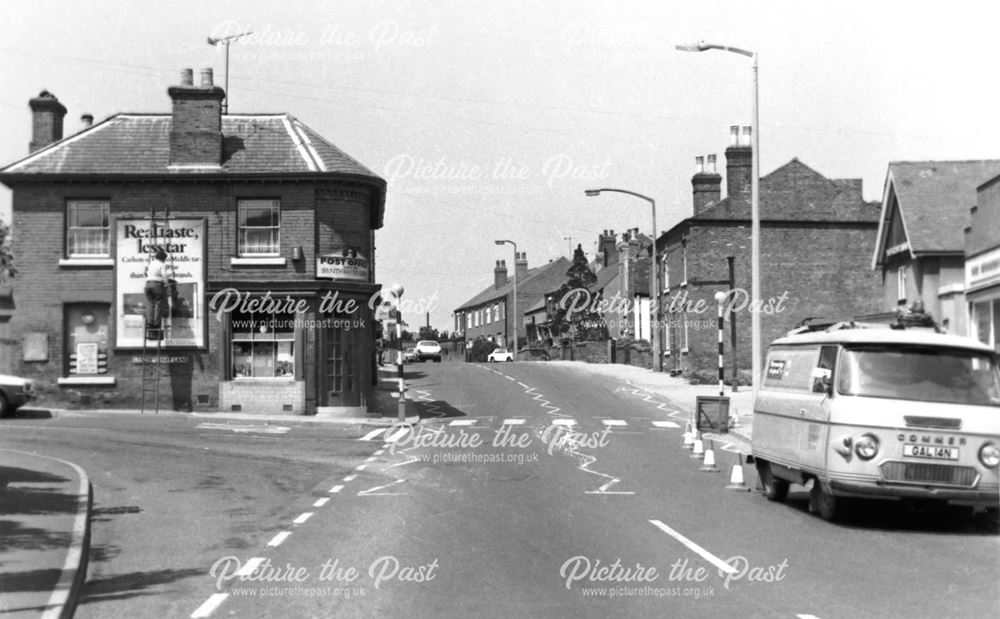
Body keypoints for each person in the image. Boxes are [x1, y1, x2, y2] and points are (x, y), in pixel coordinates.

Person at [144, 248, 171, 339]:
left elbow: (145, 272)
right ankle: (156, 323)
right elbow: (164, 275)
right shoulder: (162, 264)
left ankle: (150, 322)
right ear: (163, 258)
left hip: (147, 285)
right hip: (157, 285)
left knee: (150, 304)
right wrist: (167, 284)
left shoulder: (151, 263)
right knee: (159, 303)